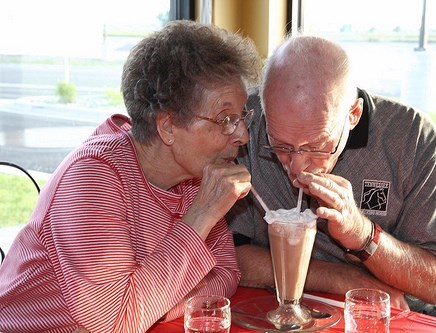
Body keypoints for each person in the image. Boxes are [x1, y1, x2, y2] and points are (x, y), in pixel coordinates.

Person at [0, 20, 261, 333]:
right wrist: (201, 215)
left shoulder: (196, 175)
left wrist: (149, 306)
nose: (243, 135)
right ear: (167, 127)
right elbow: (115, 323)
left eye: (241, 117)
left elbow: (227, 273)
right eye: (225, 119)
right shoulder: (92, 179)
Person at [227, 35, 436, 318]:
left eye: (317, 146)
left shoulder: (411, 139)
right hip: (279, 307)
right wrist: (344, 279)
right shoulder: (245, 127)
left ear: (353, 114)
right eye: (280, 145)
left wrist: (361, 234)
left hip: (389, 314)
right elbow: (226, 256)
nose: (297, 167)